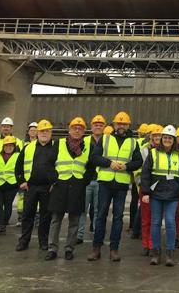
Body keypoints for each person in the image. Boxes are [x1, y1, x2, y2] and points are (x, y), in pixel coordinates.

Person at [88, 112, 142, 262]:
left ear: (128, 126)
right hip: (105, 182)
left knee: (118, 217)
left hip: (121, 184)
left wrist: (126, 166)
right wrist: (109, 163)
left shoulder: (133, 142)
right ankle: (96, 248)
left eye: (124, 124)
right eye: (119, 123)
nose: (121, 126)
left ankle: (114, 249)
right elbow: (94, 157)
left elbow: (138, 162)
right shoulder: (105, 139)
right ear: (114, 124)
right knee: (101, 215)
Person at [141, 125, 179, 267]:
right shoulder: (153, 153)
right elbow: (145, 174)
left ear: (174, 140)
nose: (167, 140)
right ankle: (156, 252)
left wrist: (178, 183)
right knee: (156, 222)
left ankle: (170, 253)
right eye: (165, 138)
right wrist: (145, 192)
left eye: (170, 138)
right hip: (156, 194)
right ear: (161, 139)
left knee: (170, 222)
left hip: (172, 194)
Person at [45, 117, 95, 261]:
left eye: (80, 128)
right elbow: (49, 164)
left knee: (74, 221)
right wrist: (54, 179)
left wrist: (83, 182)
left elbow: (91, 168)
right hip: (60, 186)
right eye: (74, 127)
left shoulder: (88, 146)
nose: (77, 130)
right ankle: (52, 249)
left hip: (77, 187)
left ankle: (69, 249)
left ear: (84, 131)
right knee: (56, 219)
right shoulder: (58, 143)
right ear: (69, 129)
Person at [15, 120, 56, 251]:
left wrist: (55, 183)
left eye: (47, 131)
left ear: (51, 133)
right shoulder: (29, 147)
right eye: (42, 131)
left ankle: (43, 242)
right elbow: (18, 165)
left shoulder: (57, 147)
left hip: (48, 188)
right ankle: (24, 241)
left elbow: (61, 166)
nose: (44, 133)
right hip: (31, 187)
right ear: (37, 133)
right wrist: (21, 181)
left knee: (45, 217)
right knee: (27, 215)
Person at [76, 115, 106, 244]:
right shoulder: (85, 141)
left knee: (99, 210)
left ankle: (96, 235)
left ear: (104, 127)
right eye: (96, 124)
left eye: (100, 125)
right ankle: (79, 235)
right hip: (86, 180)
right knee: (82, 208)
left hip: (101, 180)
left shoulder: (108, 141)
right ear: (91, 127)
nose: (98, 127)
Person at [136, 124, 163, 255]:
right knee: (146, 218)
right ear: (151, 137)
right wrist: (140, 184)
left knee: (156, 219)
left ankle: (153, 243)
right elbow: (138, 171)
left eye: (160, 135)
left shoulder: (166, 152)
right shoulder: (143, 151)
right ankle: (146, 244)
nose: (157, 138)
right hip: (145, 188)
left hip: (160, 190)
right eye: (155, 135)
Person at [15, 122, 38, 227]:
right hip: (24, 175)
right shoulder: (22, 143)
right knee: (21, 197)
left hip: (34, 175)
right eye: (31, 130)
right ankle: (21, 217)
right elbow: (18, 159)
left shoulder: (40, 142)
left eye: (35, 130)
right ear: (28, 132)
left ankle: (36, 218)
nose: (33, 132)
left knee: (35, 199)